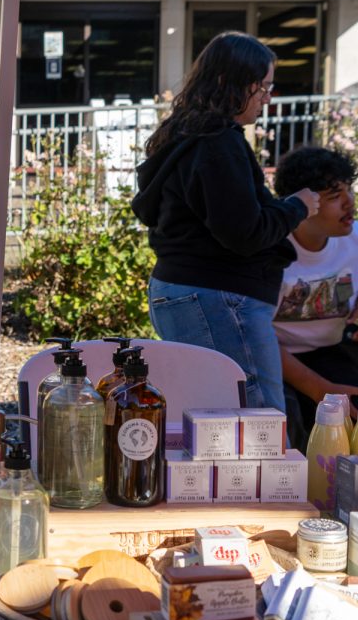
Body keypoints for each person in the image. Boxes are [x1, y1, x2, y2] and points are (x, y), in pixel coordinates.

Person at [132, 32, 320, 411]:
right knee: (257, 423)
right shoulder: (219, 143)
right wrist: (297, 206)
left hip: (189, 291)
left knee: (210, 423)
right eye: (262, 87)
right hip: (219, 297)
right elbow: (244, 233)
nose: (268, 98)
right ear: (229, 83)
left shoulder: (185, 135)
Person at [271, 147, 358, 451]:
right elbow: (252, 332)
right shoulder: (269, 248)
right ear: (300, 204)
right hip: (269, 356)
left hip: (326, 352)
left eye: (349, 189)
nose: (350, 202)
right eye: (335, 196)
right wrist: (317, 389)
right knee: (287, 425)